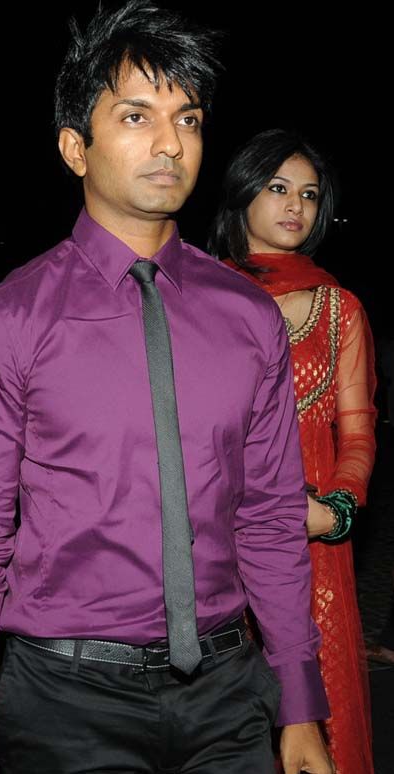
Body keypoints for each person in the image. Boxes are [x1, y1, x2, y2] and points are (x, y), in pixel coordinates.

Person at [0, 6, 334, 773]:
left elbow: (271, 519)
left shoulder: (248, 318)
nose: (171, 143)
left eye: (189, 119)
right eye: (137, 116)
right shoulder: (6, 322)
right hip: (63, 702)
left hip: (229, 697)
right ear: (75, 147)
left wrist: (300, 703)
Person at [209, 128, 376, 773]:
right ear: (243, 194)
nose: (295, 206)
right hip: (213, 541)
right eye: (278, 188)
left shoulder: (339, 309)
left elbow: (356, 432)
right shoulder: (197, 298)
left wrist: (335, 511)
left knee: (319, 716)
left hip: (312, 548)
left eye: (309, 194)